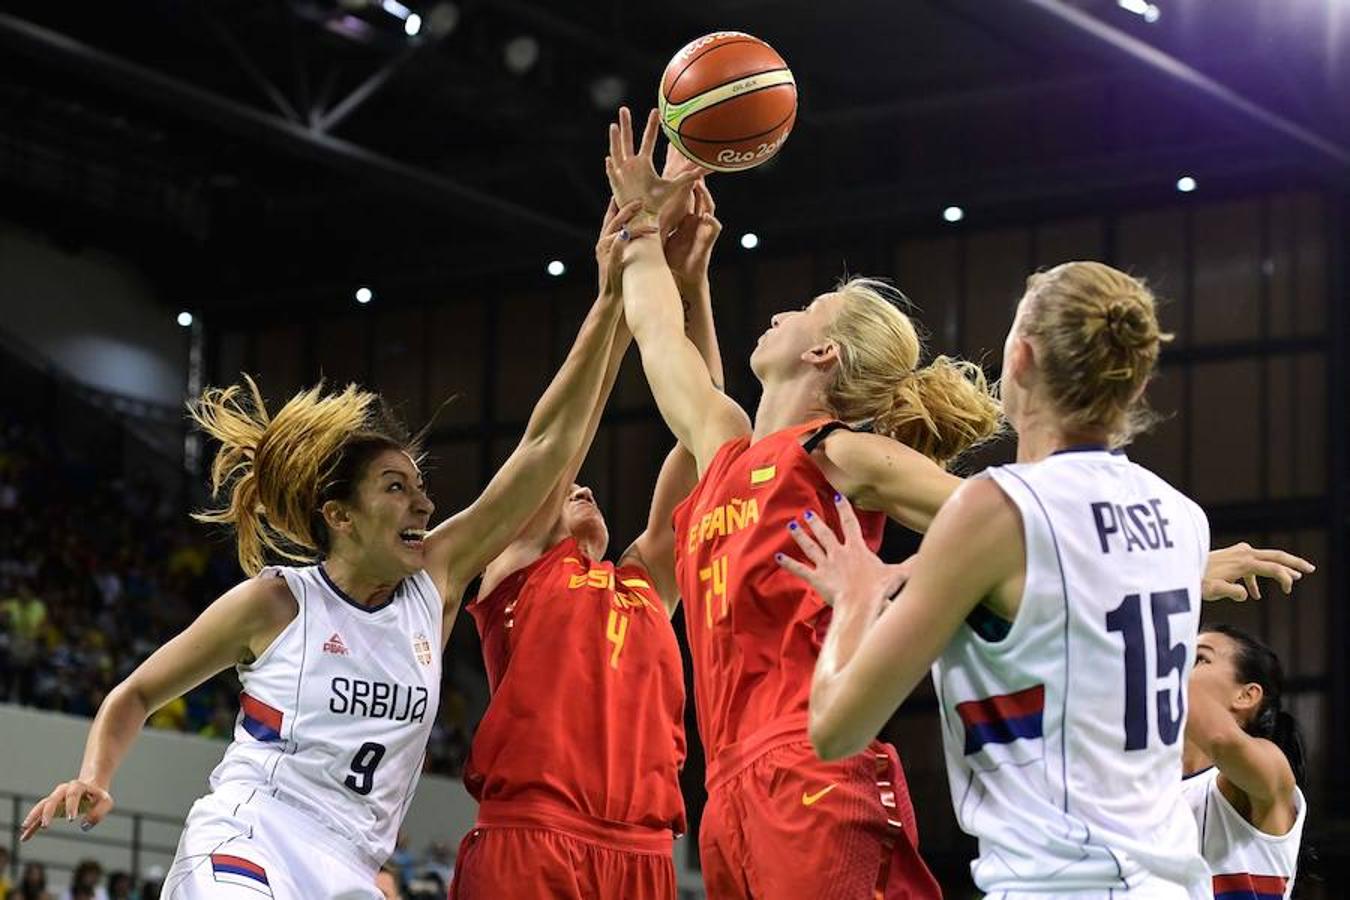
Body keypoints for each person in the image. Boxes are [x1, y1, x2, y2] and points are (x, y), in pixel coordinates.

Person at [19, 202, 651, 900]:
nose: (424, 504)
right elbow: (135, 692)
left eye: (420, 487)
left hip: (348, 866)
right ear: (340, 516)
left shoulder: (432, 585)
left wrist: (616, 297)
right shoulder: (278, 601)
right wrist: (94, 775)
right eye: (396, 487)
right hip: (251, 835)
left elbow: (544, 449)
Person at [782, 261, 1313, 897]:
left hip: (1060, 883)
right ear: (1137, 387)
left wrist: (854, 602)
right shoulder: (1182, 517)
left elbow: (837, 728)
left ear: (1022, 359)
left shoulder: (994, 507)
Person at [607, 106, 1004, 899]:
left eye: (804, 310)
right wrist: (642, 228)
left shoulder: (838, 453)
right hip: (726, 788)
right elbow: (657, 336)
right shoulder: (724, 445)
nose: (780, 312)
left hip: (816, 762)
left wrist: (1167, 563)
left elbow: (1002, 522)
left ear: (822, 353)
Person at [451, 173, 720, 899]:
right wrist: (624, 288)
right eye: (568, 495)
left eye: (585, 489)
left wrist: (686, 284)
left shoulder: (643, 587)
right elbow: (554, 447)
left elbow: (707, 445)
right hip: (533, 838)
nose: (582, 487)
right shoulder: (519, 567)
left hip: (643, 854)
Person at [1182, 624, 1307, 898]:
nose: (1177, 661)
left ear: (1246, 695)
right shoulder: (1141, 783)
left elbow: (1220, 738)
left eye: (1199, 658)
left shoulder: (1268, 767)